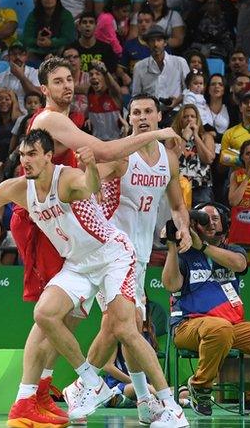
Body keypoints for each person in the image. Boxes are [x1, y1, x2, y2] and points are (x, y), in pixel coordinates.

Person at [0, 129, 188, 426]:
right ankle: (91, 381)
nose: (26, 160)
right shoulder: (19, 188)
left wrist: (91, 168)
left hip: (113, 255)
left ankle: (169, 406)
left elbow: (88, 187)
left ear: (48, 157)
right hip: (78, 262)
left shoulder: (68, 178)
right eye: (22, 155)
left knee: (125, 328)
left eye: (32, 154)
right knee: (44, 314)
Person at [3, 57, 182, 426]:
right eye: (57, 81)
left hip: (81, 230)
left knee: (76, 318)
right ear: (43, 89)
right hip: (49, 224)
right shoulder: (50, 120)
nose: (67, 86)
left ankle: (51, 392)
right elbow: (101, 155)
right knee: (54, 316)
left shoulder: (68, 122)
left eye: (71, 79)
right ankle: (32, 398)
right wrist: (153, 135)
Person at [84, 94, 191, 423]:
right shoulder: (121, 155)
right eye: (136, 112)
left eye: (148, 111)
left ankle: (97, 388)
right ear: (128, 118)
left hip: (139, 256)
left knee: (126, 327)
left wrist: (183, 228)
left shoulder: (168, 159)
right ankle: (157, 399)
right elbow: (85, 185)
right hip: (109, 254)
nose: (142, 117)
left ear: (159, 116)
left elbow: (175, 206)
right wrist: (91, 171)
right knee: (127, 326)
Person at [163, 205, 250, 416]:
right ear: (195, 225)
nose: (210, 222)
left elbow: (240, 265)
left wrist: (203, 246)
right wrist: (171, 247)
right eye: (204, 219)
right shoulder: (185, 254)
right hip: (188, 325)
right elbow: (171, 285)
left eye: (215, 218)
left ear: (224, 223)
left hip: (231, 327)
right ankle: (200, 386)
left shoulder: (233, 250)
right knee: (219, 328)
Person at [130, 26, 187, 112]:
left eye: (159, 40)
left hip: (175, 111)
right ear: (147, 44)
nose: (156, 44)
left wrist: (177, 100)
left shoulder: (180, 62)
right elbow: (136, 96)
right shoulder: (139, 66)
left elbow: (189, 90)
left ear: (165, 42)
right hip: (150, 113)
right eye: (152, 41)